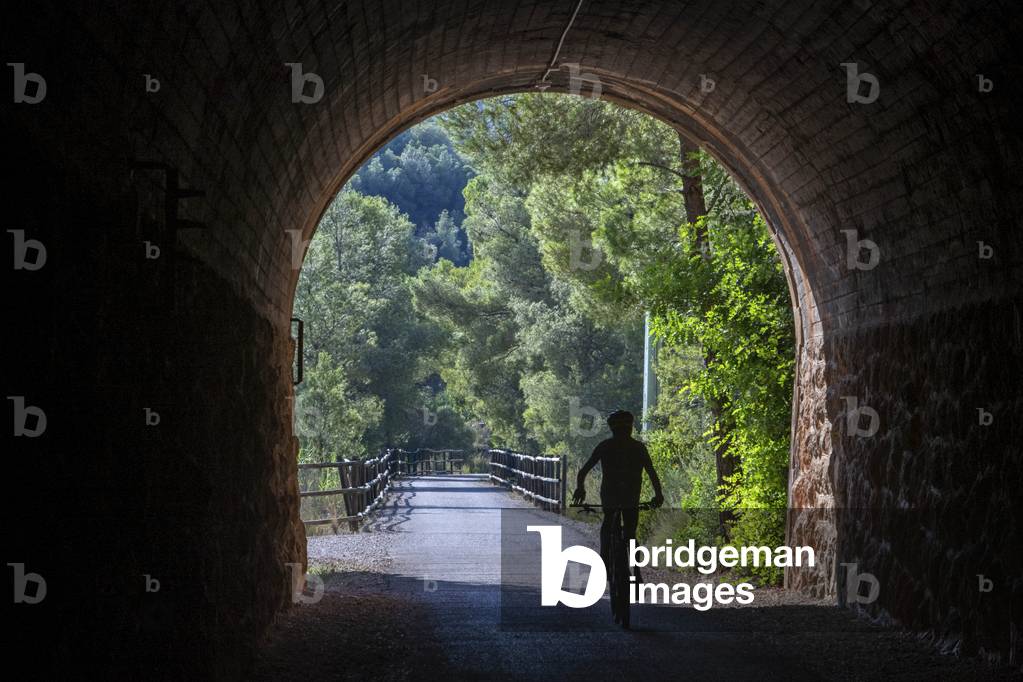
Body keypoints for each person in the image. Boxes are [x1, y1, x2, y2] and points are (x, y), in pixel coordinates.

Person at [572, 410, 664, 578]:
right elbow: (652, 473)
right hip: (631, 496)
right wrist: (658, 495)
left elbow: (583, 471)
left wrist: (580, 489)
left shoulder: (605, 446)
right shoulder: (638, 447)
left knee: (608, 524)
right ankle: (636, 571)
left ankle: (604, 559)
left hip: (610, 495)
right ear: (631, 428)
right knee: (630, 533)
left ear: (612, 428)